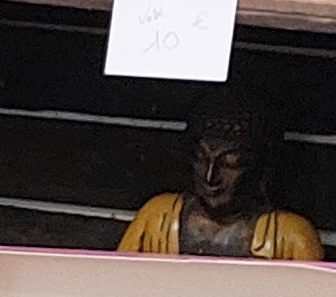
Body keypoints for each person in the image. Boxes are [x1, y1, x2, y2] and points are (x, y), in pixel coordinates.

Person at [116, 101, 325, 261]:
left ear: (262, 167)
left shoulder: (289, 235)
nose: (210, 177)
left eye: (231, 164)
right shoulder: (158, 218)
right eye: (201, 158)